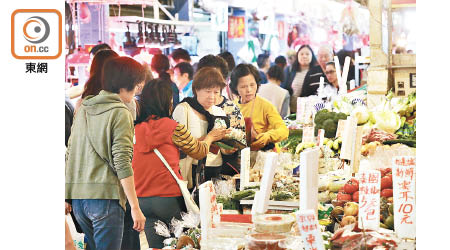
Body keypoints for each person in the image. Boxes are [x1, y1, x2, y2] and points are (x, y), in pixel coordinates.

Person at [121, 79, 228, 249]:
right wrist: (211, 137)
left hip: (142, 199)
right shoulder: (172, 127)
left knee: (159, 247)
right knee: (183, 243)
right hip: (168, 197)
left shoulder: (133, 129)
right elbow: (199, 151)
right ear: (167, 101)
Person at [66, 57, 147, 250]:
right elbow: (122, 161)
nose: (137, 89)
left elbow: (71, 152)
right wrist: (135, 207)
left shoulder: (84, 107)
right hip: (105, 199)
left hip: (80, 201)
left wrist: (67, 195)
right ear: (129, 84)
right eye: (136, 85)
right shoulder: (120, 112)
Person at [172, 67, 230, 186]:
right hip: (192, 169)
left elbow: (222, 148)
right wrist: (209, 138)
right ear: (196, 89)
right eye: (208, 91)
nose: (212, 96)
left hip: (215, 167)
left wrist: (228, 148)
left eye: (216, 92)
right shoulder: (184, 109)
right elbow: (179, 146)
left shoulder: (219, 112)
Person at [196, 55, 247, 176]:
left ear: (224, 80)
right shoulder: (189, 107)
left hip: (224, 172)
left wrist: (228, 150)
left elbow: (241, 142)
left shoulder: (231, 109)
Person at [230, 64, 289, 151]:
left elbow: (283, 131)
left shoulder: (265, 105)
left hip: (264, 155)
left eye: (252, 85)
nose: (249, 90)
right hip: (240, 156)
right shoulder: (231, 107)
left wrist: (268, 136)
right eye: (243, 86)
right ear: (235, 88)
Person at [281, 45, 317, 113]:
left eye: (307, 54)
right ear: (297, 56)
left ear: (312, 56)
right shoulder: (289, 70)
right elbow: (283, 88)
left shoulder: (316, 72)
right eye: (301, 54)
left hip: (308, 112)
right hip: (291, 111)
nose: (304, 56)